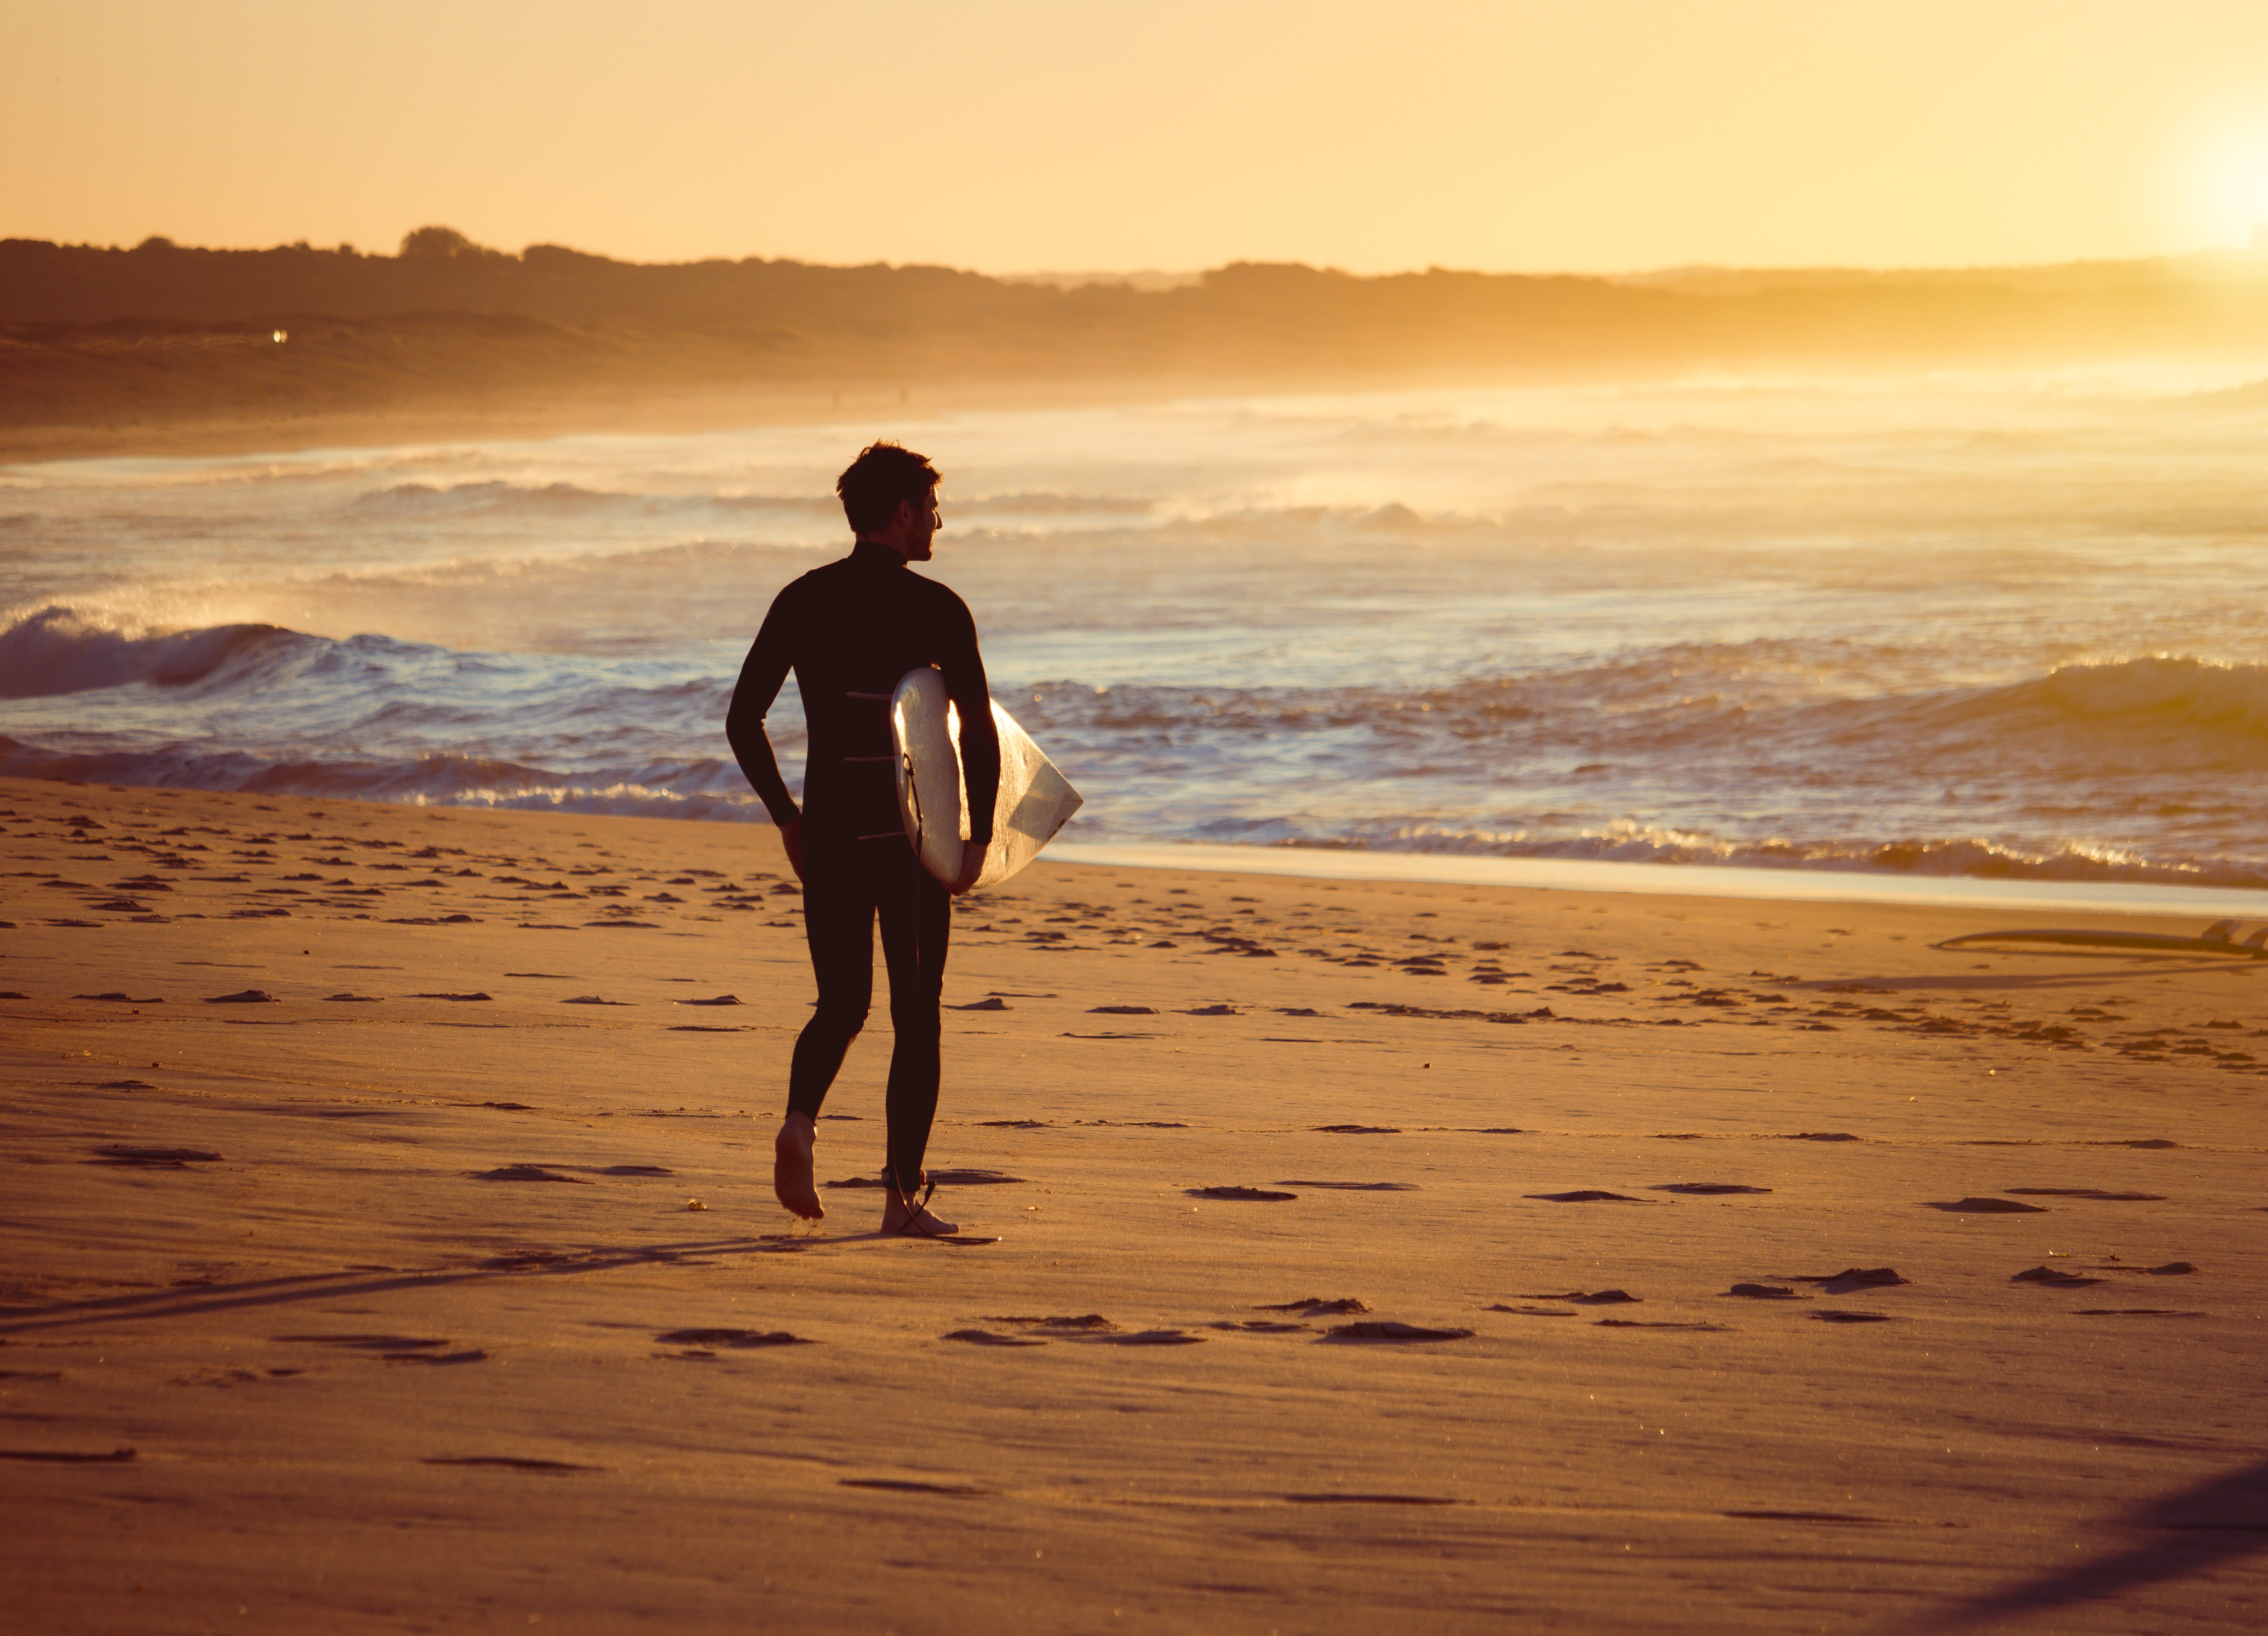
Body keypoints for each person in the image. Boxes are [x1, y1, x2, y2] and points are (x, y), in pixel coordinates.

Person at [725, 442, 1000, 1237]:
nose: (939, 522)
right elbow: (976, 730)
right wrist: (976, 837)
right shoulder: (937, 607)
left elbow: (744, 720)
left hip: (835, 832)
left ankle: (800, 1123)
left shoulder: (803, 598)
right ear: (903, 513)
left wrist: (788, 817)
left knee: (841, 1002)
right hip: (913, 844)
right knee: (917, 1017)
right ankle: (901, 1197)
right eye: (931, 508)